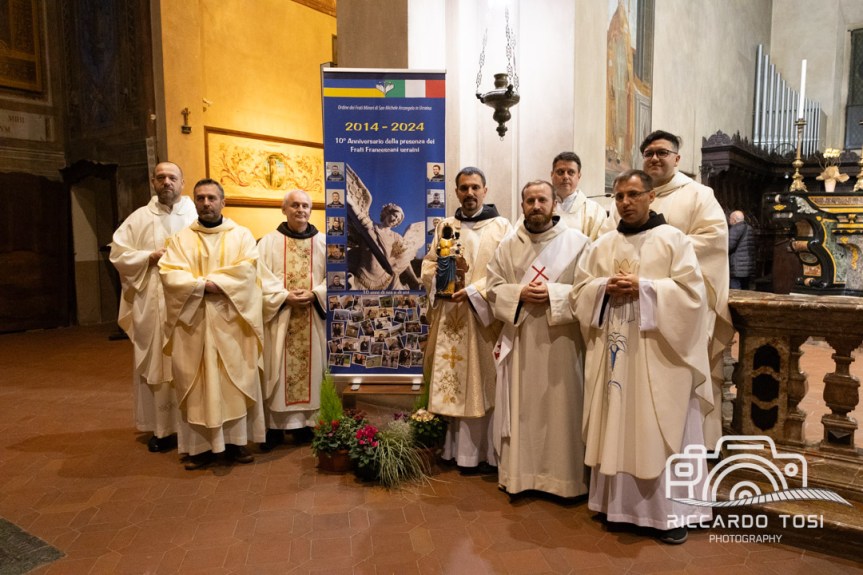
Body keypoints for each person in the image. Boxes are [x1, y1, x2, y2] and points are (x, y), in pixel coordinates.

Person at [572, 169, 713, 545]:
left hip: (660, 357)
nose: (625, 203)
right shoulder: (601, 245)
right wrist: (603, 288)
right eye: (619, 196)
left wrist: (645, 289)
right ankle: (618, 507)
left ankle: (671, 514)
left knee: (660, 426)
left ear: (652, 197)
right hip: (615, 356)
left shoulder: (673, 240)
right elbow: (578, 294)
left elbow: (693, 297)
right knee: (618, 421)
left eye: (634, 194)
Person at [602, 130, 733, 448]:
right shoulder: (624, 197)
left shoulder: (699, 195)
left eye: (662, 152)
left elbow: (714, 240)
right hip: (628, 308)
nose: (655, 158)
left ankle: (690, 445)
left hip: (677, 306)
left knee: (678, 380)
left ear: (677, 158)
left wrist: (659, 249)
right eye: (648, 153)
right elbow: (605, 244)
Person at [486, 180, 590, 498]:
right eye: (529, 200)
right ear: (522, 206)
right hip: (522, 341)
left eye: (542, 199)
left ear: (554, 204)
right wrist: (518, 293)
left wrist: (554, 294)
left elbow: (589, 290)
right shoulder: (508, 244)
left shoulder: (579, 243)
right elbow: (493, 287)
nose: (536, 205)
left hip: (562, 340)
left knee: (561, 409)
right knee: (522, 411)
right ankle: (520, 475)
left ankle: (564, 482)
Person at [159, 178, 265, 470]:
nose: (206, 203)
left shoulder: (241, 235)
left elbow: (247, 270)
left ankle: (237, 443)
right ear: (194, 202)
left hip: (232, 323)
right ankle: (199, 448)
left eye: (211, 198)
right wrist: (201, 286)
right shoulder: (181, 239)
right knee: (197, 386)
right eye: (200, 198)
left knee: (233, 382)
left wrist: (212, 283)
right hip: (194, 324)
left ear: (223, 201)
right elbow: (169, 273)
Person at [421, 167, 512, 474]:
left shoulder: (501, 227)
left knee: (481, 382)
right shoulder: (447, 225)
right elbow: (429, 264)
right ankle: (451, 450)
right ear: (456, 192)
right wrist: (442, 284)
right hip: (449, 316)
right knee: (451, 380)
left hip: (481, 319)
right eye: (463, 188)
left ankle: (481, 454)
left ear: (485, 190)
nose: (469, 193)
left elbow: (506, 274)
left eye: (475, 187)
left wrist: (473, 291)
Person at [110, 161, 197, 452]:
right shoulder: (138, 218)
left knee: (188, 360)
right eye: (161, 178)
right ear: (153, 182)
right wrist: (149, 256)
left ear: (182, 182)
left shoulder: (195, 214)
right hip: (152, 301)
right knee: (157, 362)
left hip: (187, 302)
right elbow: (118, 254)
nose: (166, 182)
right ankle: (161, 430)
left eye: (172, 177)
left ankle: (192, 425)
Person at [258, 190, 327, 451]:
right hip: (280, 318)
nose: (301, 210)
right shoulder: (267, 243)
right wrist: (283, 296)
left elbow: (336, 279)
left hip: (312, 317)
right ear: (284, 209)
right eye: (295, 205)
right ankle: (276, 427)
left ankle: (306, 425)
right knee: (277, 368)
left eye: (305, 205)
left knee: (313, 370)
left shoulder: (324, 242)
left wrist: (316, 293)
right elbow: (258, 278)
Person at [550, 151, 607, 239]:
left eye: (571, 172)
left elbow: (600, 246)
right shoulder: (538, 206)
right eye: (560, 172)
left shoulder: (595, 212)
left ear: (579, 176)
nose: (565, 177)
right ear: (552, 175)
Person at [728, 210, 756, 289]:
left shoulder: (735, 229)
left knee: (736, 292)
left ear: (734, 219)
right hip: (748, 268)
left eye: (730, 219)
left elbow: (729, 246)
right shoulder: (749, 228)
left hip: (737, 268)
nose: (729, 221)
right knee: (745, 291)